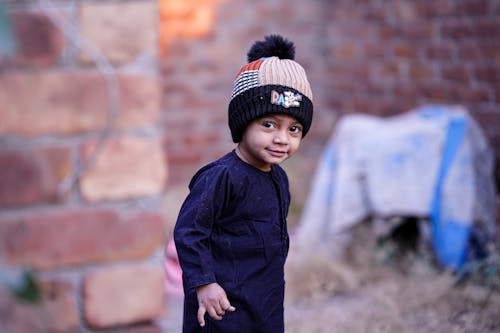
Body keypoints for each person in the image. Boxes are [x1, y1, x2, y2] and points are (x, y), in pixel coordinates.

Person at [173, 34, 314, 333]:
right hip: (222, 305)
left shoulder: (279, 179)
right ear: (242, 122)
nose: (281, 138)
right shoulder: (222, 177)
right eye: (268, 124)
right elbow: (189, 232)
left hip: (266, 302)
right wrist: (205, 284)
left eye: (294, 129)